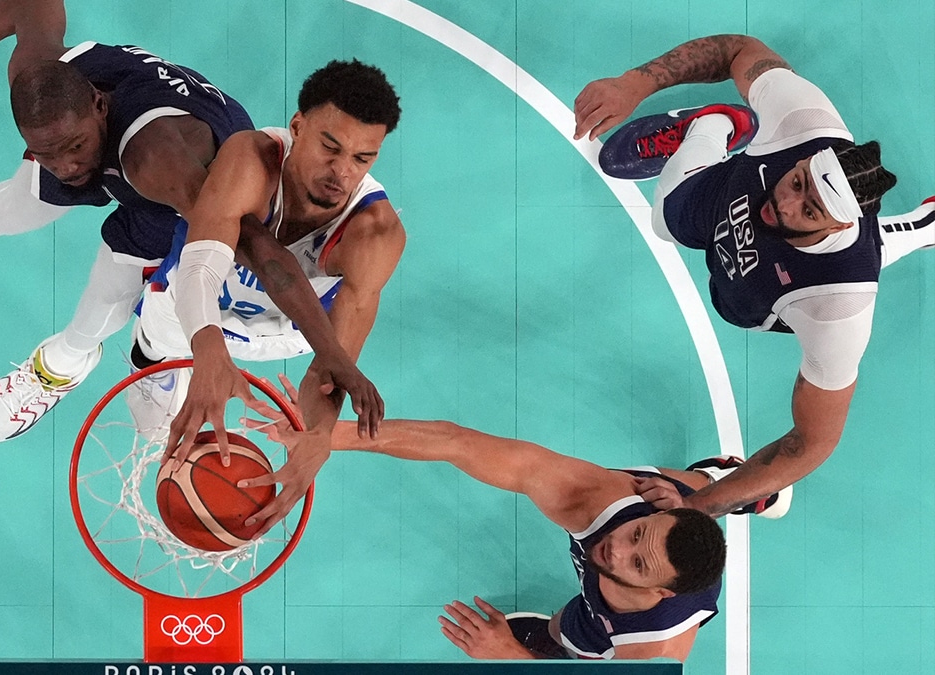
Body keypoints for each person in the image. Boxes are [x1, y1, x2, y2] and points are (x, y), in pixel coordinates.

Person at [0, 0, 381, 445]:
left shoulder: (160, 163)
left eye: (72, 149)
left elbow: (263, 253)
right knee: (11, 211)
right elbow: (31, 4)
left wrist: (333, 356)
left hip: (182, 185)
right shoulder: (45, 94)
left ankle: (60, 366)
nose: (67, 168)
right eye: (45, 153)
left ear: (99, 105)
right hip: (114, 144)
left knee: (110, 301)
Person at [571, 34, 935, 517]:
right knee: (666, 223)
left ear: (840, 223)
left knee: (786, 288)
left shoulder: (835, 309)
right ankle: (715, 123)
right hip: (725, 195)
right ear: (804, 159)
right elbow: (739, 49)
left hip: (777, 292)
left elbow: (810, 444)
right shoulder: (804, 122)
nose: (784, 203)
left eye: (808, 210)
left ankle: (924, 224)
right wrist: (636, 83)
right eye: (799, 181)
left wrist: (699, 508)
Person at [246, 375, 758, 662]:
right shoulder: (604, 499)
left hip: (623, 631)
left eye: (639, 564)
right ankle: (736, 488)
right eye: (639, 531)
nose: (616, 548)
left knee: (571, 636)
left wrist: (507, 655)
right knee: (699, 489)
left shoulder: (652, 648)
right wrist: (323, 438)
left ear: (663, 592)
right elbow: (455, 441)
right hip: (682, 500)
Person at [128, 59, 404, 532]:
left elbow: (331, 364)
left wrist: (317, 437)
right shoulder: (251, 158)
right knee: (152, 410)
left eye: (363, 159)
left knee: (313, 381)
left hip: (284, 332)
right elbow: (199, 264)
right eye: (330, 147)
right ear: (298, 126)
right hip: (197, 299)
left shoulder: (374, 234)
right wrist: (207, 346)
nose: (341, 172)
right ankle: (156, 371)